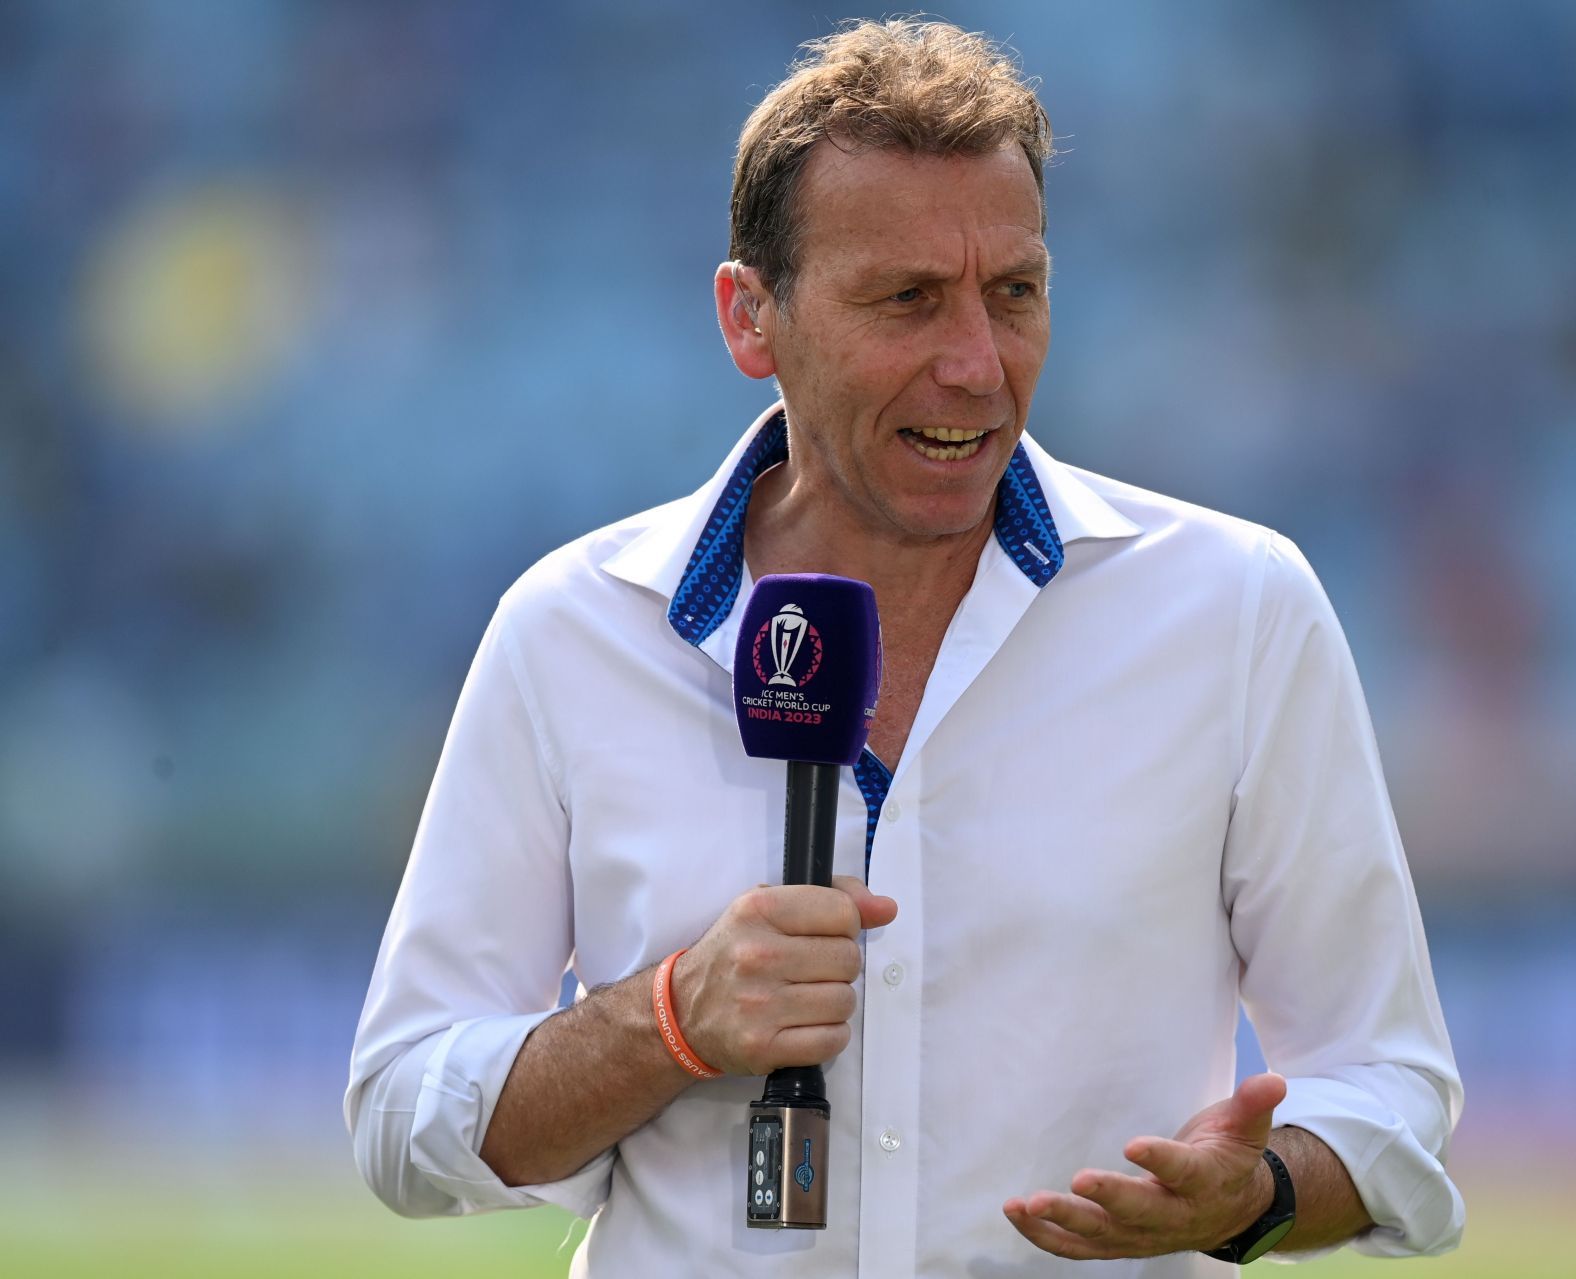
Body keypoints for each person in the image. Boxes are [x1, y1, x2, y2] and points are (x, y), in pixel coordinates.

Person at [347, 19, 1463, 1276]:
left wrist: (1257, 1194)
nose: (978, 365)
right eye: (908, 301)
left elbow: (1391, 1087)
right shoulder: (572, 626)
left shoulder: (1238, 607)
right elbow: (401, 1114)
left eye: (1016, 294)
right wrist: (668, 1022)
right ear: (749, 320)